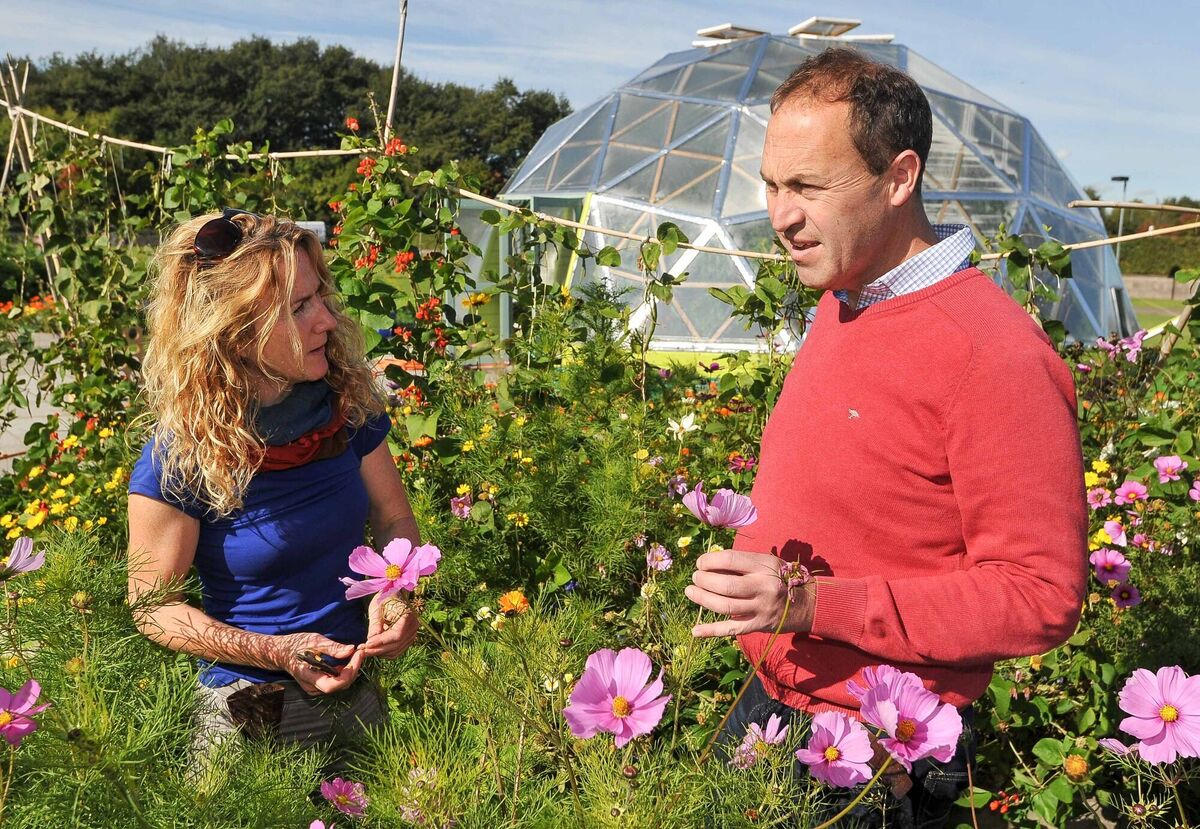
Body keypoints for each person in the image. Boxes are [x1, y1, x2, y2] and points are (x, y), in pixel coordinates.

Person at [685, 49, 1087, 826]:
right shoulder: (846, 298)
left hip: (876, 751)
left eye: (808, 187)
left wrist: (812, 602)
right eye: (772, 184)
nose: (781, 215)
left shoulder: (993, 352)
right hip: (772, 704)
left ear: (899, 178)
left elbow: (1040, 594)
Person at [126, 210, 421, 768]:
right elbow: (151, 607)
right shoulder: (184, 454)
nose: (327, 320)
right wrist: (275, 651)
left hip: (355, 691)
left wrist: (398, 593)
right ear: (236, 330)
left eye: (320, 297)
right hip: (247, 711)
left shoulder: (346, 409)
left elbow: (393, 520)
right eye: (299, 307)